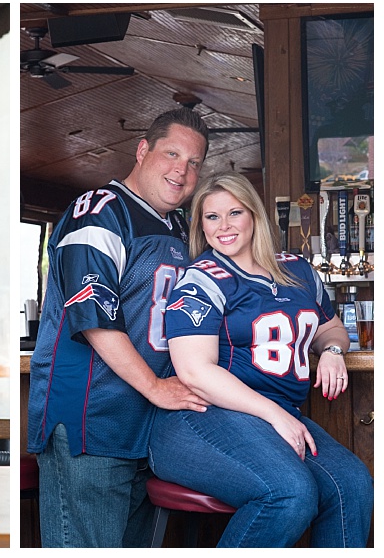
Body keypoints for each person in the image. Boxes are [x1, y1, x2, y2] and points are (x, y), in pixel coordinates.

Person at [150, 172, 373, 547]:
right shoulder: (201, 280)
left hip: (274, 417)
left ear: (254, 215)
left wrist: (334, 351)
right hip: (201, 418)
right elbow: (195, 371)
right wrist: (275, 415)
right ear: (200, 225)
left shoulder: (298, 269)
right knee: (289, 493)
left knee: (353, 484)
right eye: (212, 216)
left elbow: (331, 329)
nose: (224, 226)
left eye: (234, 212)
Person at [26, 107, 212, 547]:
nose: (181, 171)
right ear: (143, 149)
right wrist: (155, 387)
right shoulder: (99, 211)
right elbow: (94, 316)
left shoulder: (179, 225)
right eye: (172, 154)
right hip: (91, 422)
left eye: (194, 163)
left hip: (148, 428)